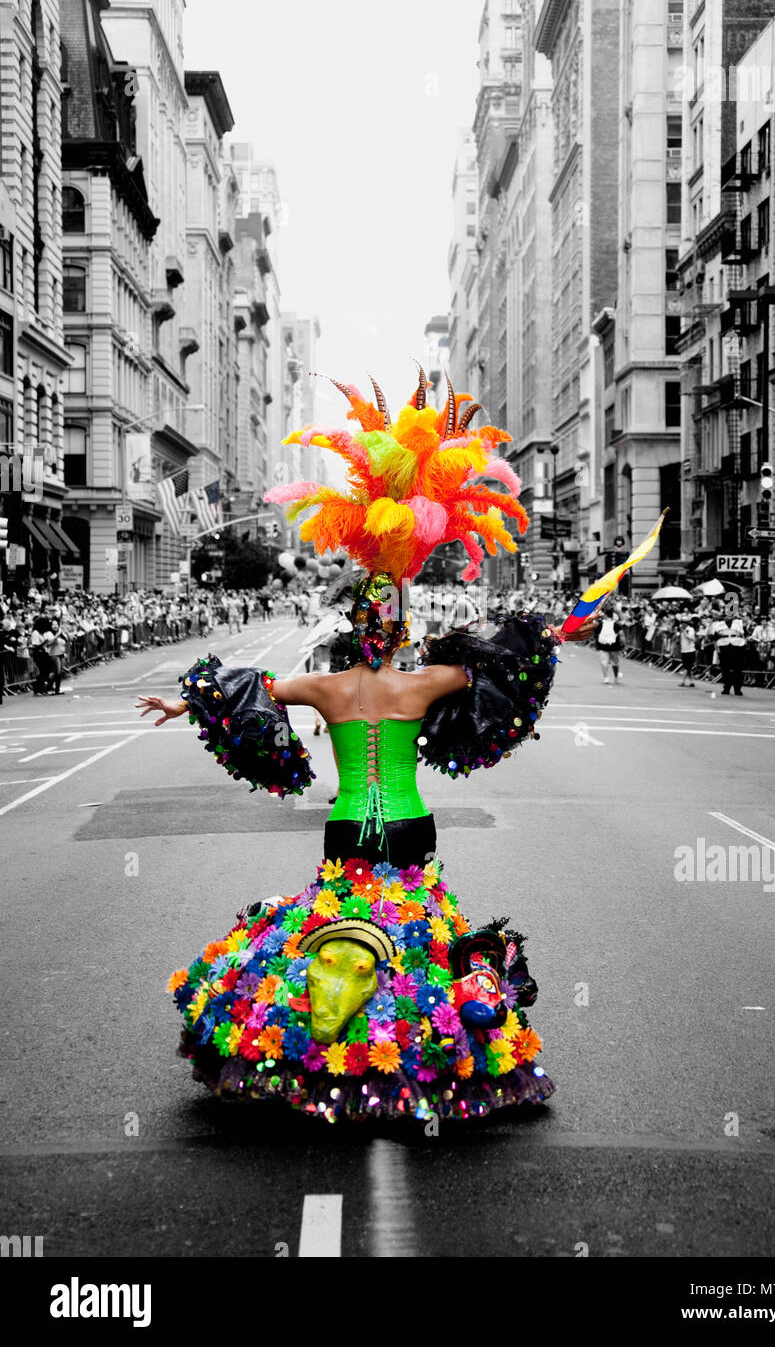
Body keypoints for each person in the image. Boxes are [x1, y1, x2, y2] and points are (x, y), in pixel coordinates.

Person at [137, 371, 603, 1124]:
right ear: (400, 633)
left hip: (348, 824)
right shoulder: (421, 686)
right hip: (411, 822)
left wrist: (179, 699)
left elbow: (248, 686)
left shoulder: (328, 689)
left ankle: (317, 1052)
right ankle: (418, 1055)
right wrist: (555, 629)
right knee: (413, 936)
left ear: (349, 634)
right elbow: (509, 662)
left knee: (340, 933)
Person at [595, 609, 624, 684]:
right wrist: (623, 645)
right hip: (614, 646)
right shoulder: (616, 624)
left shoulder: (601, 624)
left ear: (606, 615)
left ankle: (606, 678)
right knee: (615, 662)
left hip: (602, 645)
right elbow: (622, 635)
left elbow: (596, 633)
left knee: (603, 661)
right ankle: (616, 678)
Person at [677, 616, 697, 687]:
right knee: (688, 668)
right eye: (681, 622)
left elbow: (691, 638)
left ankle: (683, 681)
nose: (682, 624)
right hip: (684, 650)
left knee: (687, 667)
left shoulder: (690, 629)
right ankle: (692, 682)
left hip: (690, 650)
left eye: (683, 623)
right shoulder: (681, 630)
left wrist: (684, 632)